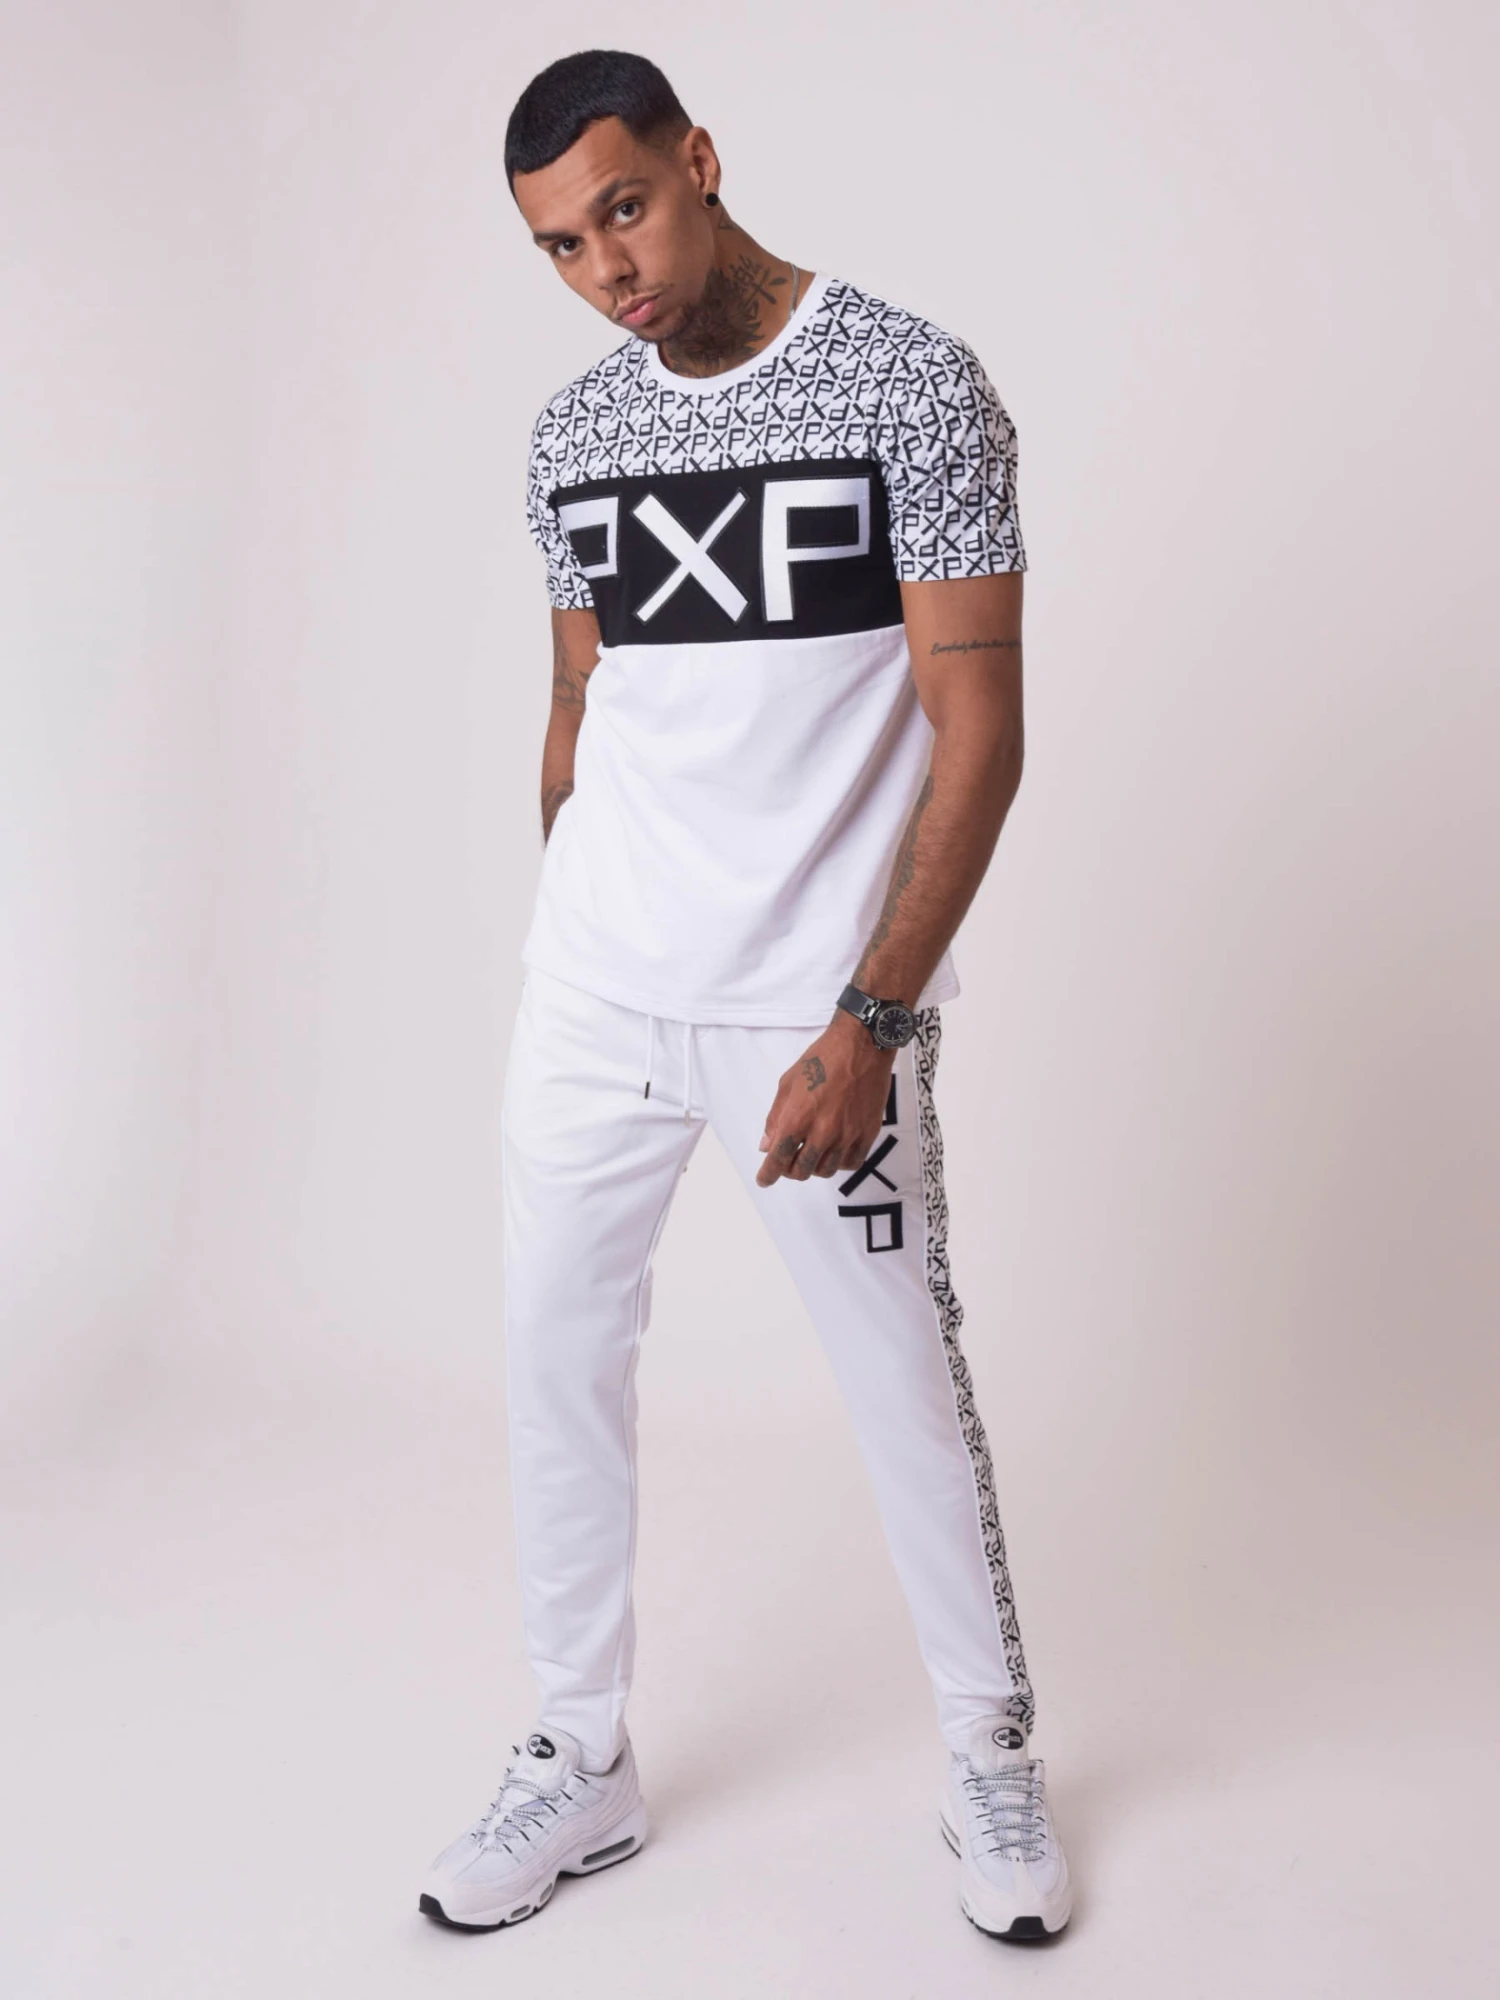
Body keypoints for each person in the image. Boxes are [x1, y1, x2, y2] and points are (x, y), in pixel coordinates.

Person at [418, 47, 1072, 1944]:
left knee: (901, 1377)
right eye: (561, 245)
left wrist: (874, 1020)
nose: (606, 269)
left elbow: (980, 731)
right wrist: (586, 914)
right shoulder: (572, 434)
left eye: (623, 209)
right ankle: (579, 1751)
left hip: (813, 1008)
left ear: (700, 162)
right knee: (554, 1359)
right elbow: (581, 699)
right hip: (594, 995)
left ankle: (988, 1746)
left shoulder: (910, 382)